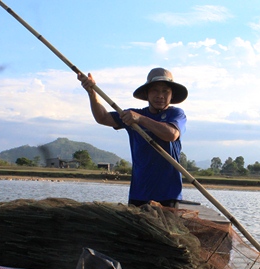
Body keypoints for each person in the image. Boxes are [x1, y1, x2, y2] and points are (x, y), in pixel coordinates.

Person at [78, 68, 188, 208]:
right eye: (155, 90)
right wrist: (91, 92)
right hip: (139, 193)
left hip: (168, 194)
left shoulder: (176, 114)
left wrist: (140, 119)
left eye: (165, 91)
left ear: (171, 95)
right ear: (147, 94)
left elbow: (171, 134)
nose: (160, 95)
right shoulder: (133, 115)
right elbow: (103, 117)